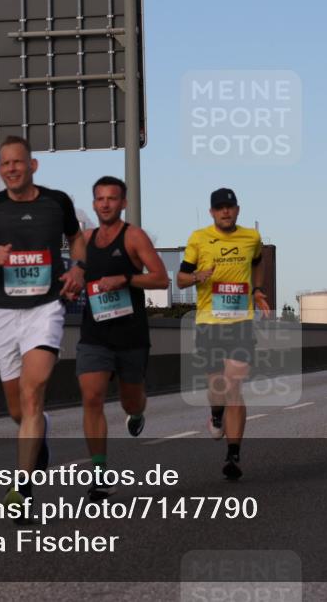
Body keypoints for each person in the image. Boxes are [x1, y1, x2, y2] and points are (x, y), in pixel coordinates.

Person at [0, 135, 85, 518]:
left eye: (18, 162)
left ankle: (22, 490)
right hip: (5, 314)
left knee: (33, 395)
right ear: (0, 170)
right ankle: (39, 431)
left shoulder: (57, 202)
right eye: (4, 164)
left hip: (46, 309)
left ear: (33, 166)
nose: (11, 169)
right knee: (18, 409)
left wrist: (79, 267)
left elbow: (77, 238)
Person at [76, 176, 168, 501]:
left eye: (112, 198)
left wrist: (126, 278)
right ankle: (99, 474)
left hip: (130, 336)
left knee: (131, 399)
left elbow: (161, 279)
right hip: (94, 334)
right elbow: (73, 273)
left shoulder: (134, 236)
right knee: (92, 397)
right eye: (100, 198)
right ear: (93, 204)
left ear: (123, 203)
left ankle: (137, 411)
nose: (105, 204)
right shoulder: (84, 239)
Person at [177, 188, 270, 480]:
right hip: (208, 322)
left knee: (234, 386)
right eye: (220, 208)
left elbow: (258, 261)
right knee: (217, 388)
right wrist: (196, 277)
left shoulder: (251, 238)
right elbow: (179, 279)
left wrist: (256, 289)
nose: (225, 212)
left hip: (241, 322)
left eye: (229, 207)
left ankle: (233, 454)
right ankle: (216, 413)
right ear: (212, 212)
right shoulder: (198, 238)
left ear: (237, 210)